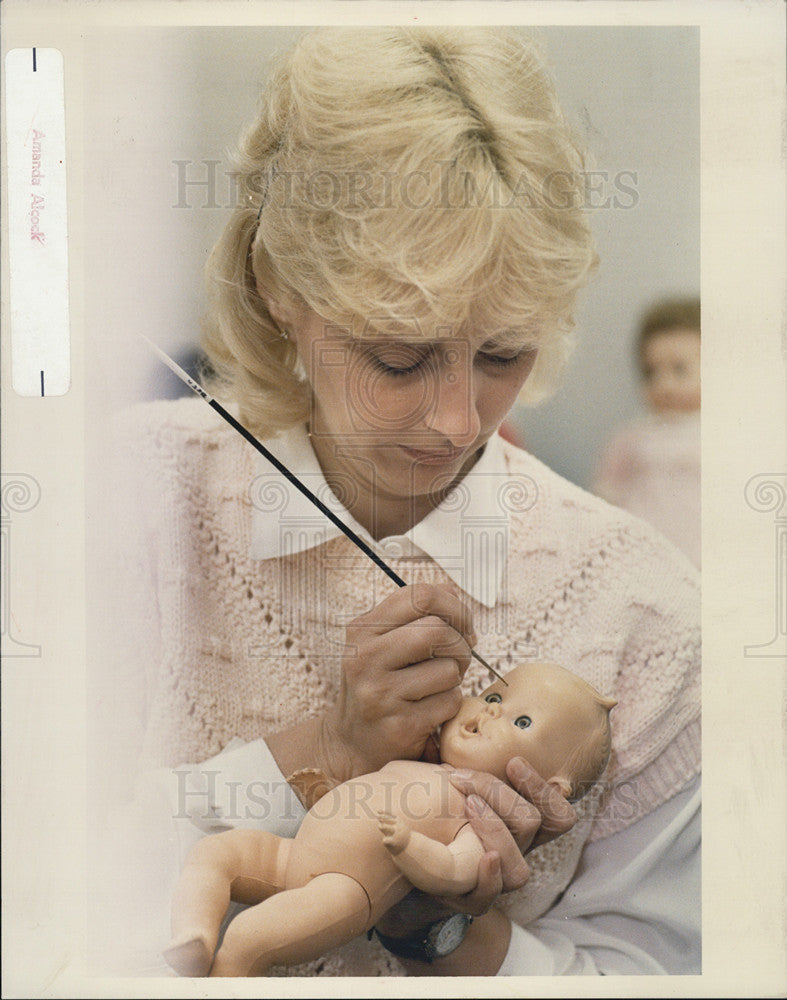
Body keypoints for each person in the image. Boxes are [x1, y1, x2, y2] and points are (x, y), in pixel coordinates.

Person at [104, 26, 700, 977]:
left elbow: (665, 976)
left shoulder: (647, 617)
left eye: (504, 353)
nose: (461, 420)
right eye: (398, 353)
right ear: (276, 288)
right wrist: (320, 752)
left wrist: (445, 928)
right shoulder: (113, 505)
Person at [163, 663, 616, 977]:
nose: (491, 709)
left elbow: (455, 869)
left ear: (545, 788)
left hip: (342, 890)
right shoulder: (413, 763)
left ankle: (223, 976)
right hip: (293, 854)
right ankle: (194, 935)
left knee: (249, 937)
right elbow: (353, 798)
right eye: (494, 694)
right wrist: (319, 790)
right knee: (214, 852)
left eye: (521, 722)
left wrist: (408, 848)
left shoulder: (471, 815)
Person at [592, 298, 701, 567]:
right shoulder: (633, 436)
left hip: (701, 555)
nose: (663, 384)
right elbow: (605, 494)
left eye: (679, 370)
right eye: (651, 372)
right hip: (642, 557)